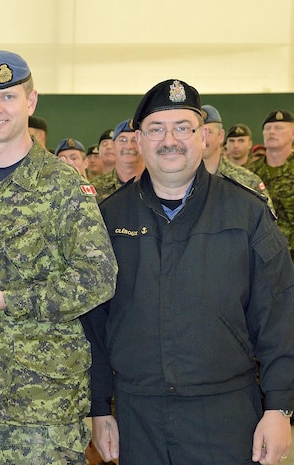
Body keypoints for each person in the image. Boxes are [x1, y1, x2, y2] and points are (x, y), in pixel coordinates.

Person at [82, 79, 294, 465]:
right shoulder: (109, 219)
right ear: (139, 141)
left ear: (203, 137)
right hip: (138, 415)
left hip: (226, 413)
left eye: (183, 127)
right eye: (156, 129)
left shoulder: (247, 213)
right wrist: (99, 406)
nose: (170, 140)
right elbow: (92, 325)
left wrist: (279, 408)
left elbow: (280, 315)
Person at [0, 50, 118, 465]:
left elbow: (99, 275)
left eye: (8, 97)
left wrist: (8, 299)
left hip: (43, 402)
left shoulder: (62, 184)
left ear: (31, 101)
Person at [200, 105, 274, 211]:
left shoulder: (246, 181)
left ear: (221, 136)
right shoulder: (180, 181)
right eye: (197, 132)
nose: (202, 138)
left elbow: (267, 224)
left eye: (208, 132)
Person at [247, 109, 294, 259]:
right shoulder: (250, 173)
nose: (271, 132)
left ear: (292, 134)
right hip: (263, 255)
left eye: (279, 128)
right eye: (267, 128)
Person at [92, 119, 144, 203]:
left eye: (135, 140)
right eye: (123, 140)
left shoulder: (158, 184)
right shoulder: (95, 187)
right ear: (113, 145)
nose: (129, 146)